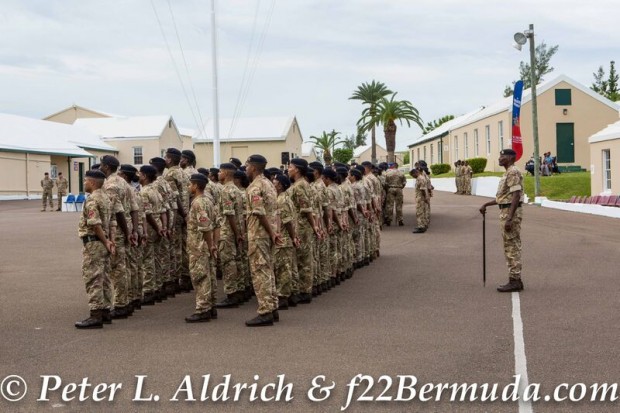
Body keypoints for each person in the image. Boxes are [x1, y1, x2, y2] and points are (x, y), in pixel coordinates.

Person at [479, 149, 524, 293]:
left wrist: (510, 218)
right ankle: (515, 280)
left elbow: (516, 195)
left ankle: (515, 281)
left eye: (502, 156)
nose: (499, 158)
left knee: (512, 247)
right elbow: (504, 198)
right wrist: (486, 204)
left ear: (510, 158)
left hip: (510, 213)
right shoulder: (507, 173)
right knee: (509, 246)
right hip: (506, 210)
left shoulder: (513, 172)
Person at [75, 170, 116, 329]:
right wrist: (111, 241)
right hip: (104, 242)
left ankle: (96, 315)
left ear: (92, 183)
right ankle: (105, 311)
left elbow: (95, 223)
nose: (84, 183)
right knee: (104, 277)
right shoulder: (106, 197)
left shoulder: (92, 199)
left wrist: (105, 241)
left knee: (93, 278)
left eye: (85, 181)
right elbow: (112, 222)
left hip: (94, 243)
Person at [100, 155, 139, 319]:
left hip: (117, 230)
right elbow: (135, 209)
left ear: (107, 167)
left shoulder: (111, 185)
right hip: (126, 227)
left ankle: (121, 304)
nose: (100, 167)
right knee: (125, 266)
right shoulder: (124, 183)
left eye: (101, 165)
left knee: (117, 269)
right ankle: (128, 300)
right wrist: (134, 230)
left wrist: (128, 233)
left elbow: (118, 212)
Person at [244, 155, 280, 326]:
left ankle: (265, 311)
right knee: (268, 270)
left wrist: (272, 233)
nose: (246, 169)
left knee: (260, 272)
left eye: (247, 166)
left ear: (253, 168)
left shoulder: (255, 187)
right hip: (268, 234)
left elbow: (259, 213)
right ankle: (273, 308)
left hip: (259, 234)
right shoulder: (269, 184)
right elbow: (276, 211)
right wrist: (275, 232)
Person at [185, 173, 218, 323]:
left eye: (190, 184)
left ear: (196, 186)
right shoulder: (208, 201)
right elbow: (216, 224)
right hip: (206, 245)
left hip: (199, 246)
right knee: (209, 275)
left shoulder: (198, 203)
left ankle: (203, 309)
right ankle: (211, 305)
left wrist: (210, 245)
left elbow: (205, 226)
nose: (189, 187)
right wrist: (213, 244)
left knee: (200, 277)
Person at [215, 163, 246, 308]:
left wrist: (236, 233)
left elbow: (229, 214)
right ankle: (239, 290)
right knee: (237, 261)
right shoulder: (236, 190)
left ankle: (232, 294)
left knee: (228, 263)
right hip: (236, 230)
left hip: (227, 231)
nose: (218, 174)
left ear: (226, 173)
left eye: (220, 171)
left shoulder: (226, 190)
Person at [410, 168, 430, 233]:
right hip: (421, 198)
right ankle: (424, 225)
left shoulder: (420, 179)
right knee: (423, 212)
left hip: (421, 198)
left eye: (412, 175)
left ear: (415, 173)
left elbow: (423, 190)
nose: (413, 177)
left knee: (419, 212)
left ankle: (421, 227)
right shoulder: (420, 178)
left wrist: (425, 197)